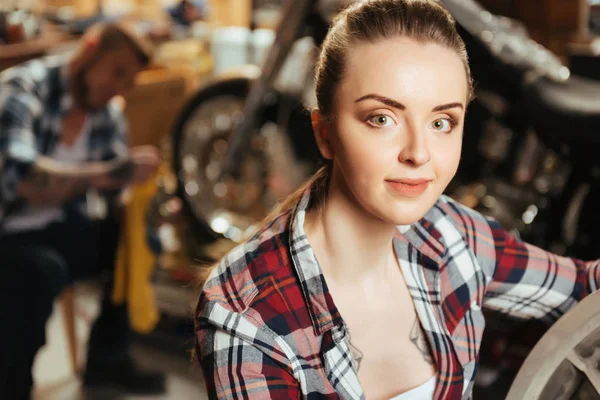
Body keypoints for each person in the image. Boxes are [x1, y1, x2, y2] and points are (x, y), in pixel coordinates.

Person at [194, 0, 600, 399]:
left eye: (442, 122)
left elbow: (584, 287)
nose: (419, 153)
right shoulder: (245, 316)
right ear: (325, 133)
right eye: (382, 118)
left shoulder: (451, 233)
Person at [0, 22, 165, 398]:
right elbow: (23, 177)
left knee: (136, 243)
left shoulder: (105, 111)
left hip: (55, 222)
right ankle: (12, 387)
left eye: (129, 81)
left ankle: (107, 360)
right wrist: (108, 173)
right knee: (41, 273)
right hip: (8, 230)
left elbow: (111, 193)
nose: (119, 88)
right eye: (117, 72)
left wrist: (137, 209)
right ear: (90, 49)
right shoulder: (22, 87)